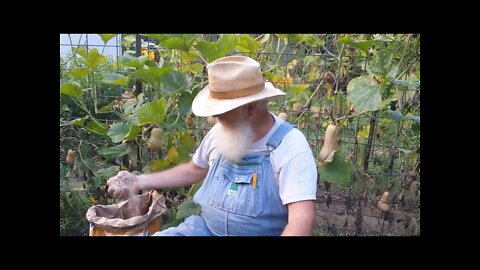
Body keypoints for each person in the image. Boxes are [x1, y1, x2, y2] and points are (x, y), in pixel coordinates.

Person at [107, 55, 318, 236]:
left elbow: (301, 222)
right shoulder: (224, 131)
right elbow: (193, 170)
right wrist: (139, 181)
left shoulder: (290, 146)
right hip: (204, 230)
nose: (214, 119)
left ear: (251, 108)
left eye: (222, 113)